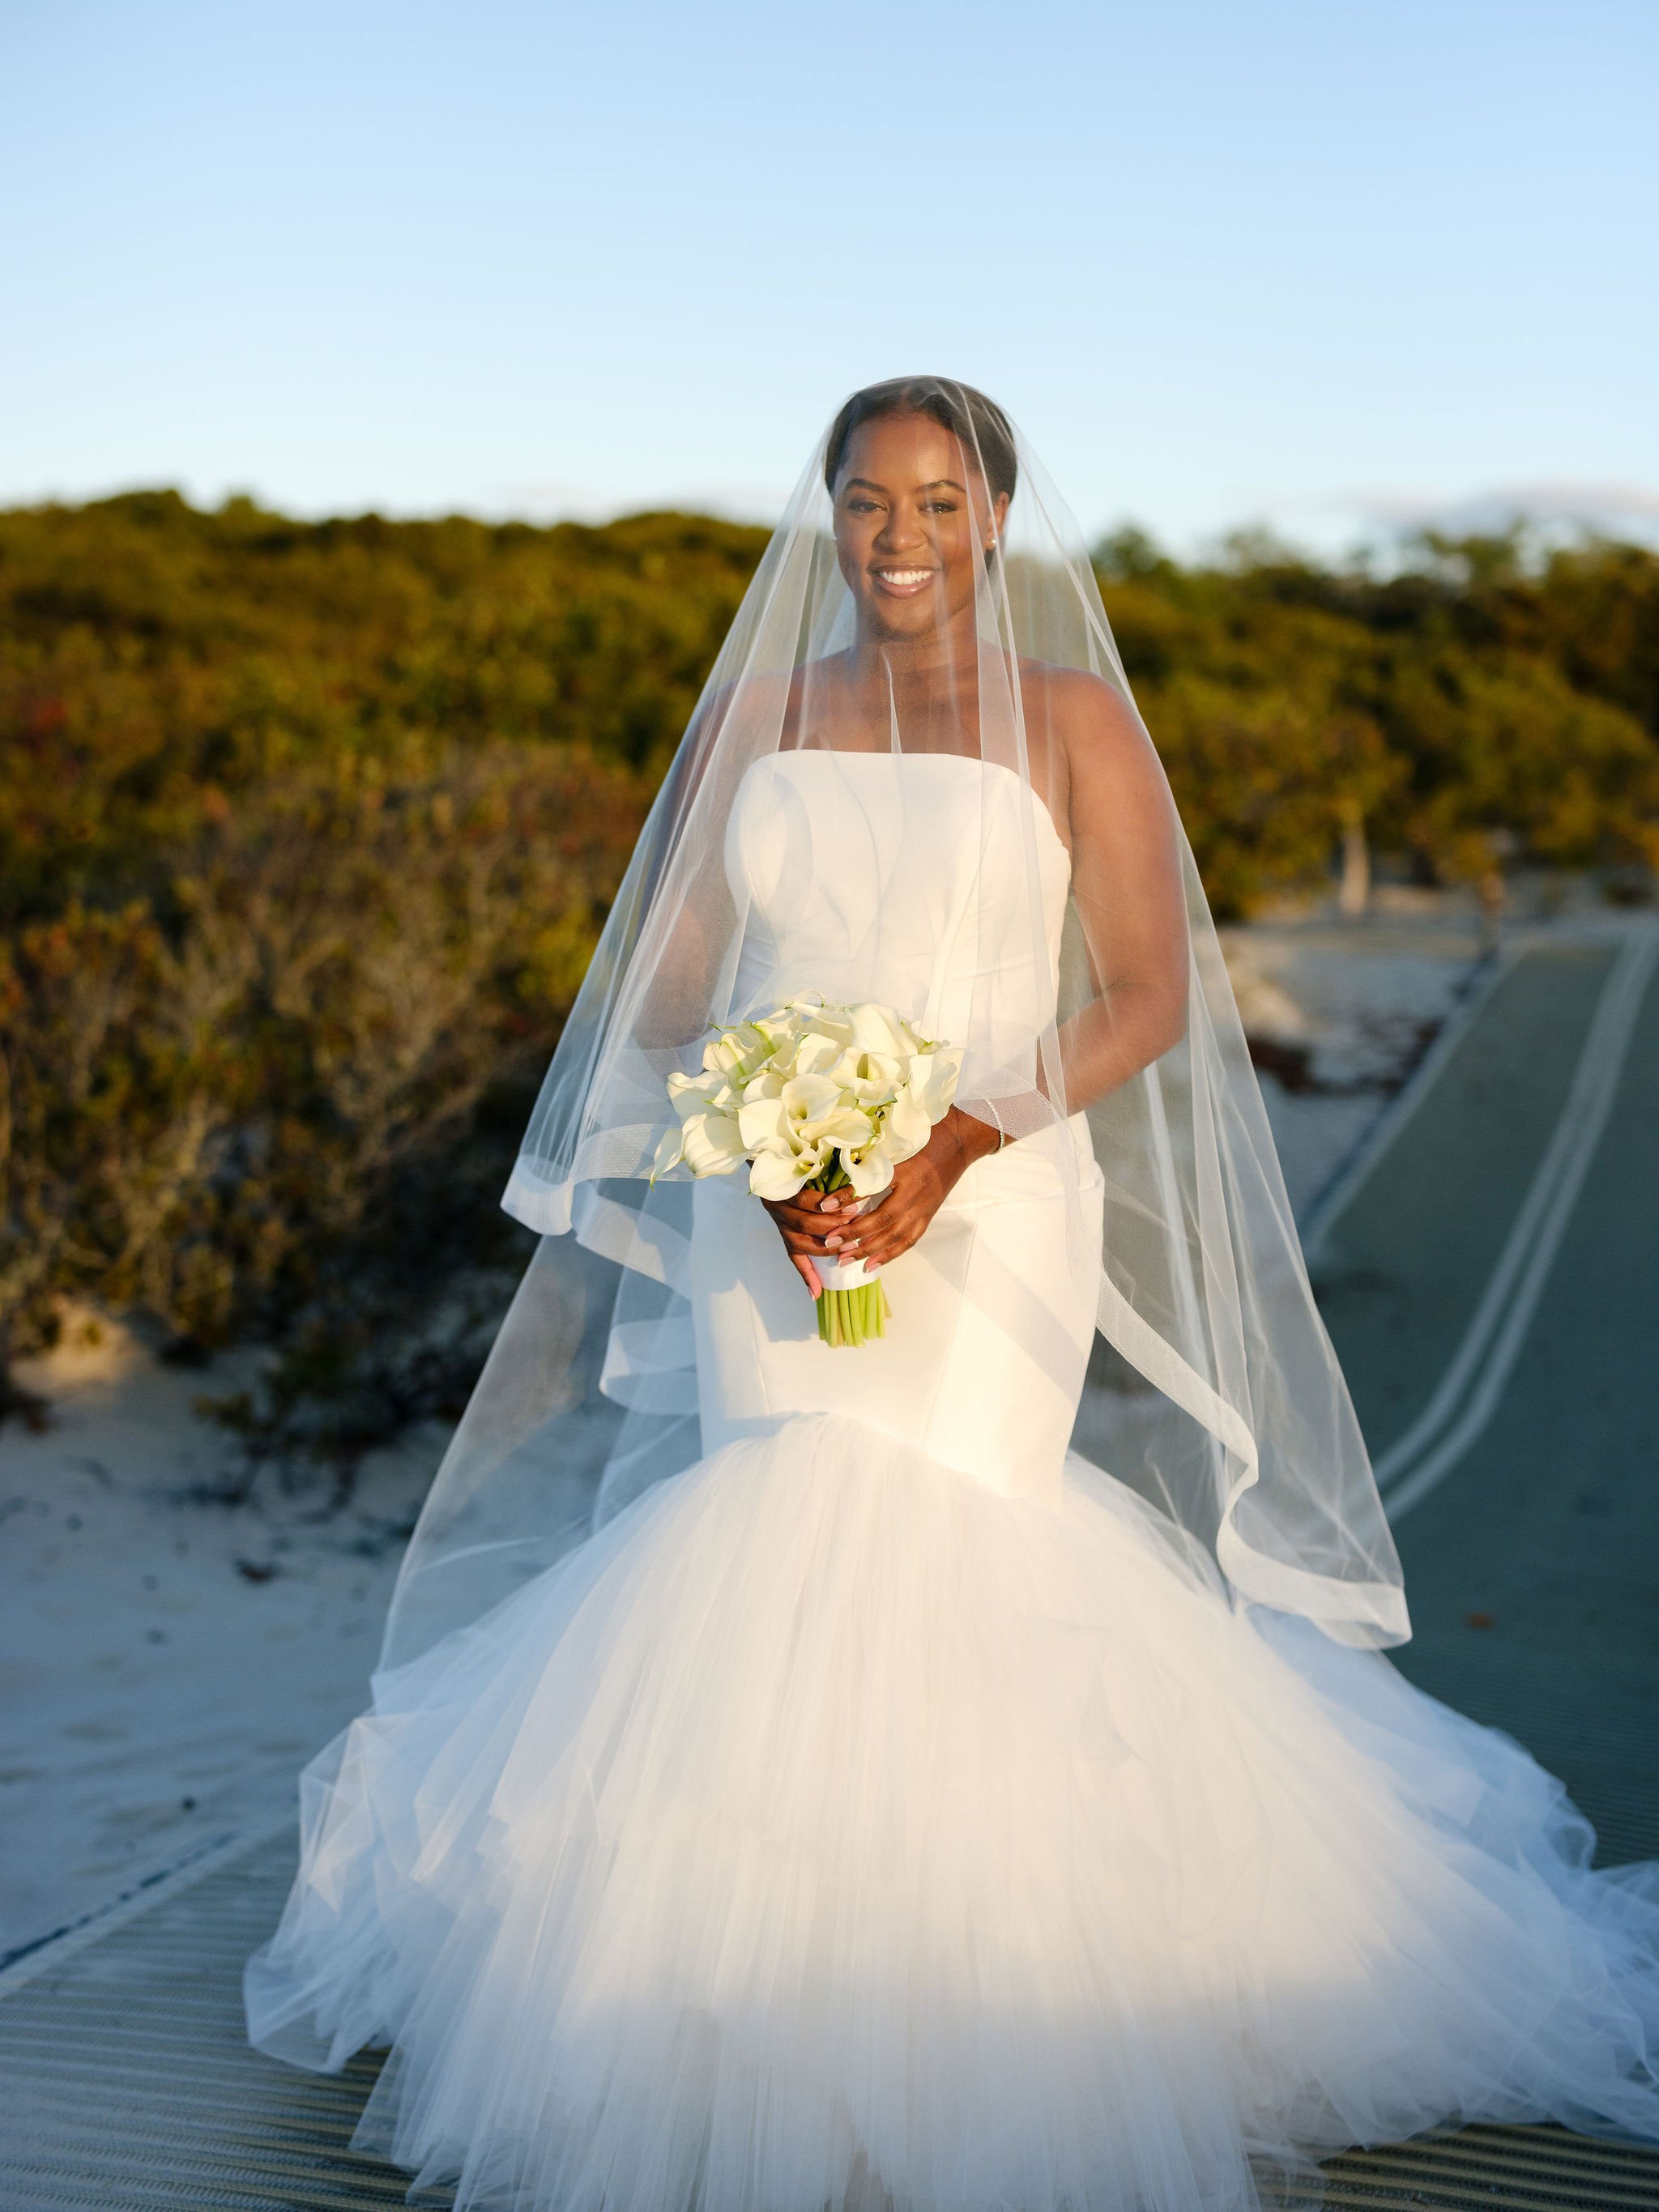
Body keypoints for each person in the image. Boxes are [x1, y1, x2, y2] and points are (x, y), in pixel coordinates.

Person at [245, 379, 1659, 2212]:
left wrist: (954, 1140)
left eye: (934, 500)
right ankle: (754, 2034)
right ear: (828, 515)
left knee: (955, 1540)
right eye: (864, 499)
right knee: (770, 1546)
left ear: (994, 516)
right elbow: (667, 990)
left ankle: (989, 2020)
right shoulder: (753, 715)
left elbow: (1144, 992)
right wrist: (762, 1134)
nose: (896, 536)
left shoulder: (1071, 717)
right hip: (777, 1206)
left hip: (998, 1194)